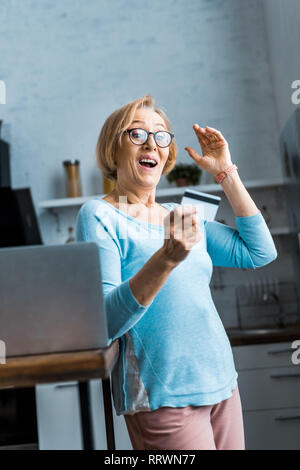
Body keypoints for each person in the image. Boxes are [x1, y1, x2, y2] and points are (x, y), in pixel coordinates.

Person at [75, 94, 277, 450]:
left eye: (161, 135)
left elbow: (259, 252)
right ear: (113, 148)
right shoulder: (98, 215)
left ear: (167, 153)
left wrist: (225, 173)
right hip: (162, 395)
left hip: (223, 383)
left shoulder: (183, 213)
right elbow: (104, 321)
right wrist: (166, 259)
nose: (151, 142)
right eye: (137, 134)